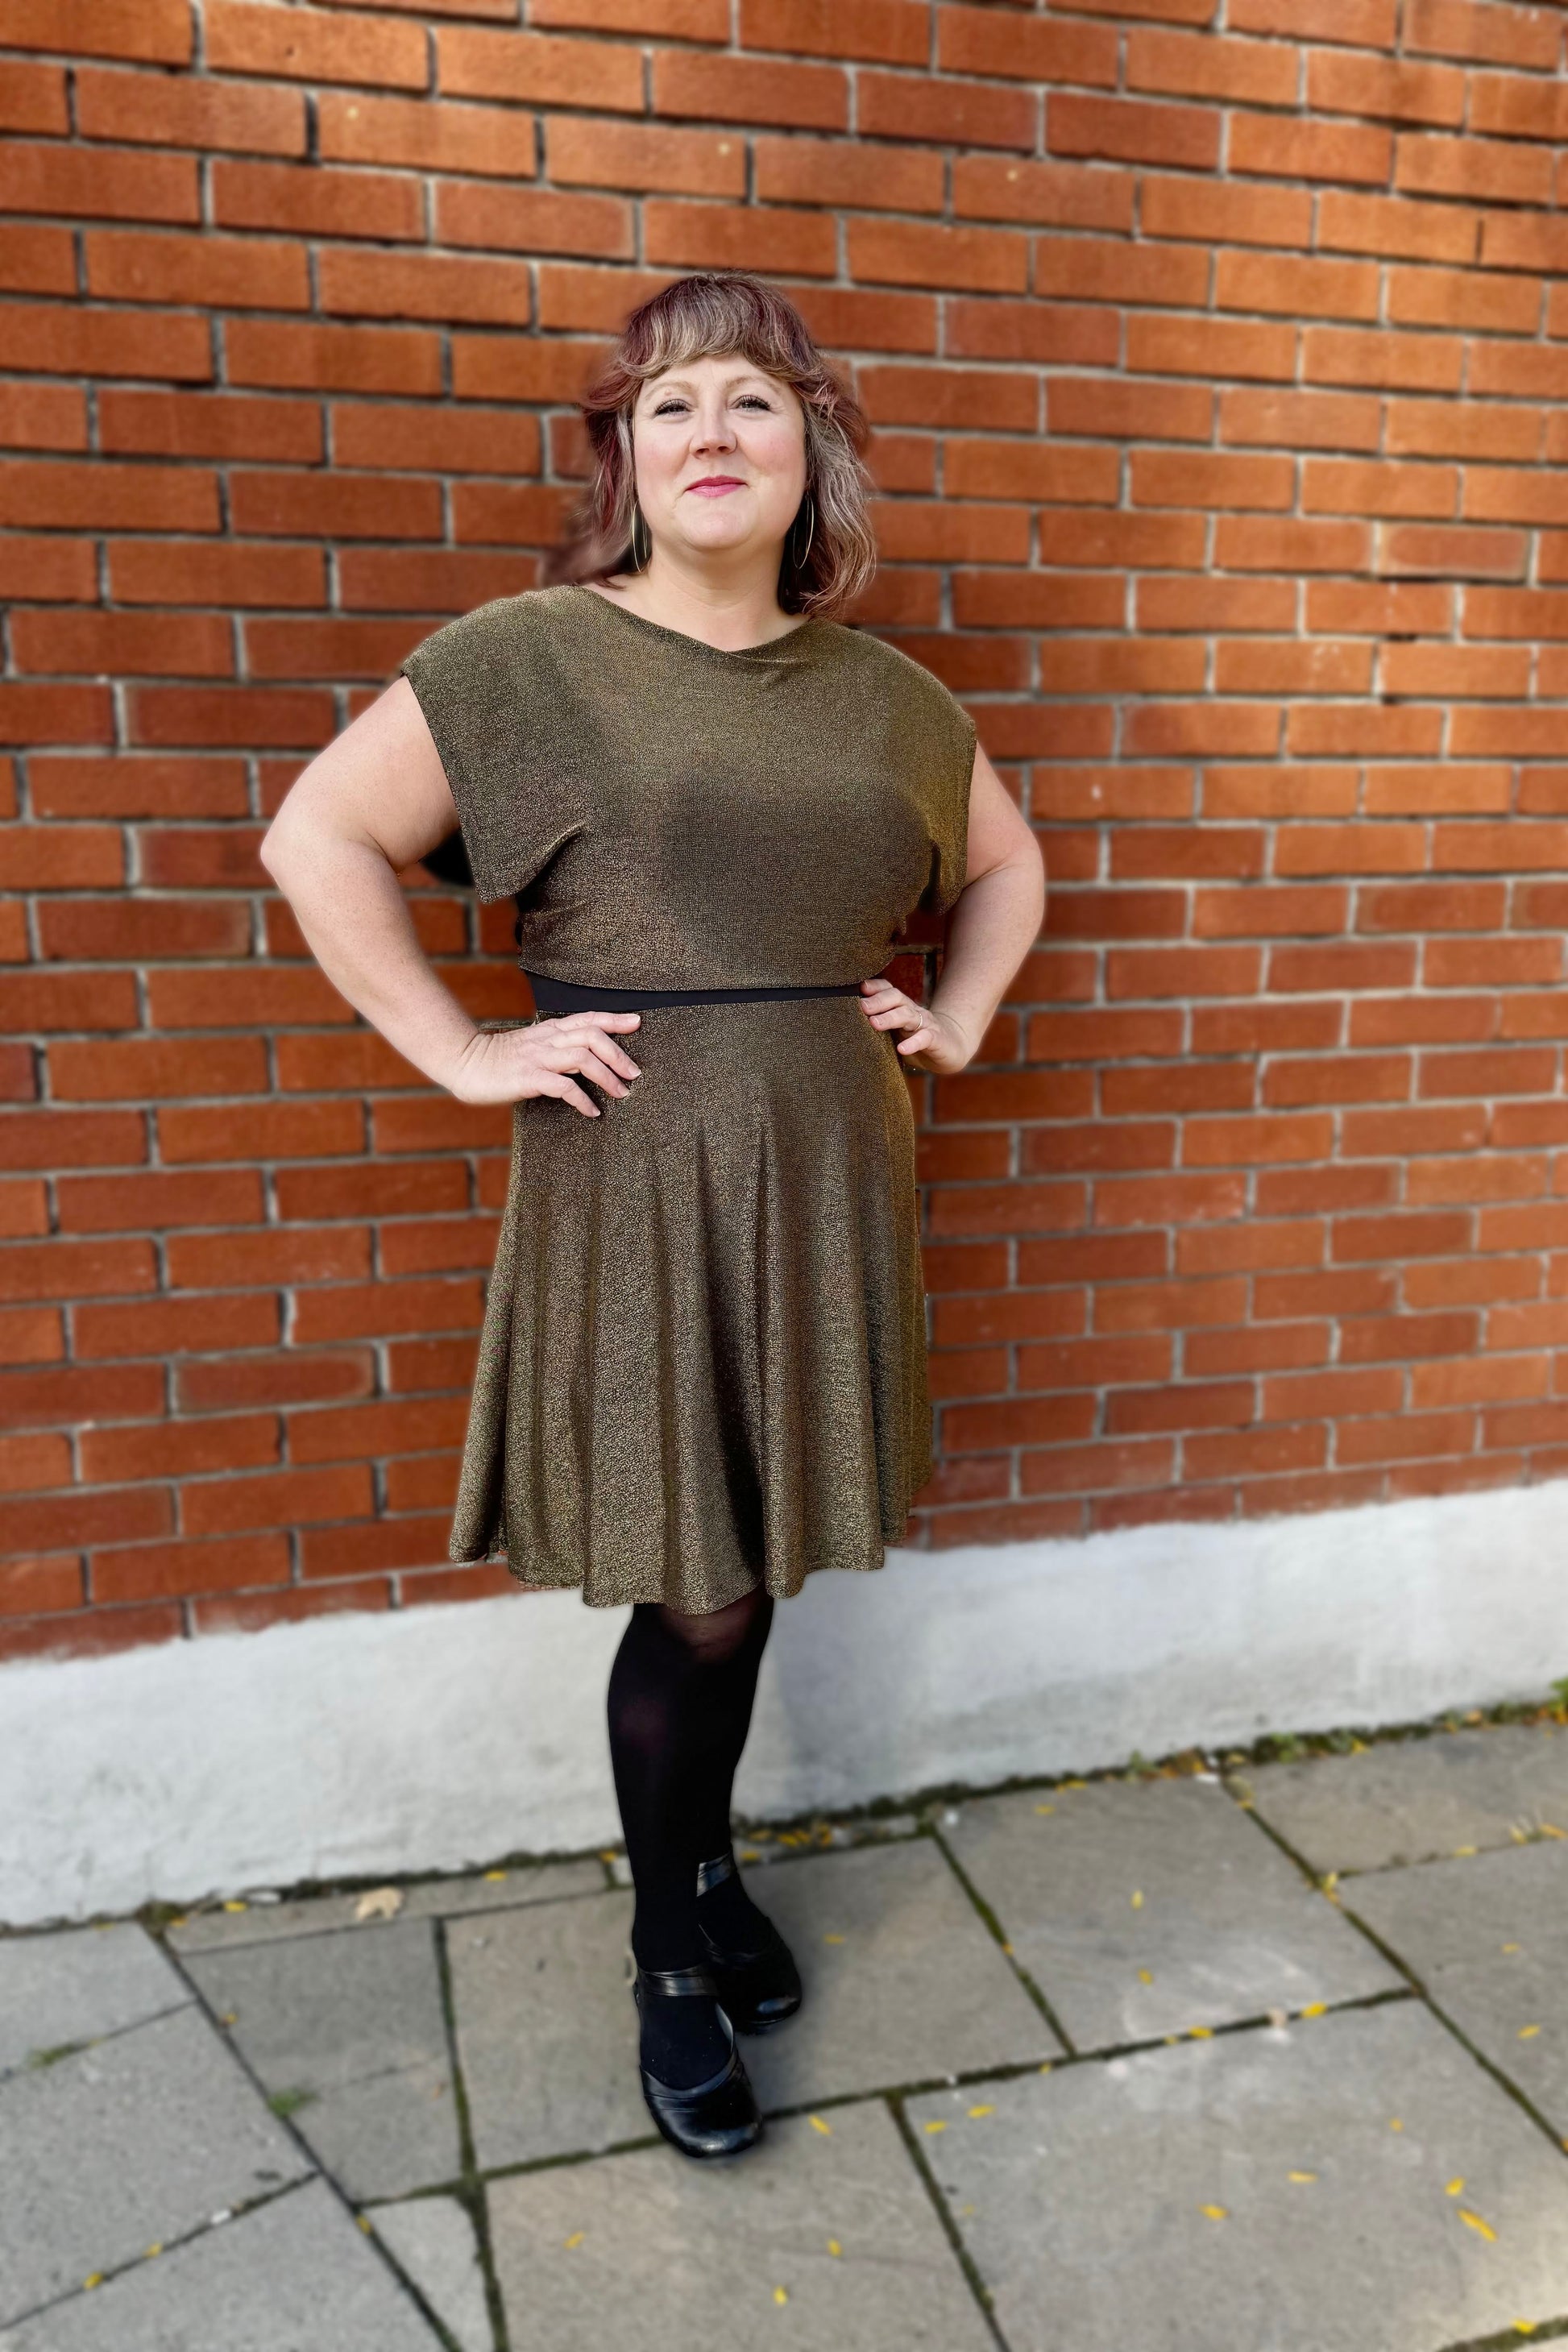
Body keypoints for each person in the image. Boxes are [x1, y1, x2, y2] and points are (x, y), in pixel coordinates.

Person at [259, 270, 1046, 2162]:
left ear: (812, 455)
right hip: (640, 1171)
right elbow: (316, 835)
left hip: (828, 1167)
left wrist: (953, 1015)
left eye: (755, 404)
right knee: (695, 1591)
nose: (712, 433)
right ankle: (666, 1948)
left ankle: (699, 1875)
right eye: (671, 403)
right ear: (623, 453)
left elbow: (1011, 864)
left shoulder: (889, 696)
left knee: (750, 1559)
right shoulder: (529, 656)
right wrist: (459, 1051)